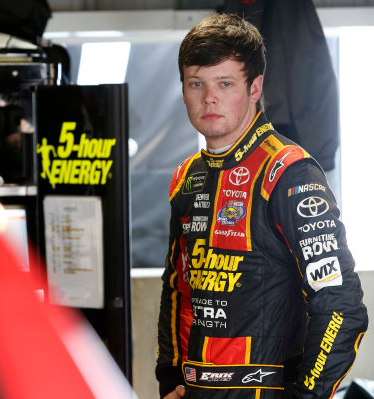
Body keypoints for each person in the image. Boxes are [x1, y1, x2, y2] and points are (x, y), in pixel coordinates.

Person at [155, 13, 368, 399]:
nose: (209, 98)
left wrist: (306, 395)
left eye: (225, 83)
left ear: (255, 88)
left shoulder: (289, 173)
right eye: (196, 83)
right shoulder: (186, 176)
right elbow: (176, 287)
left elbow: (340, 305)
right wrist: (170, 378)